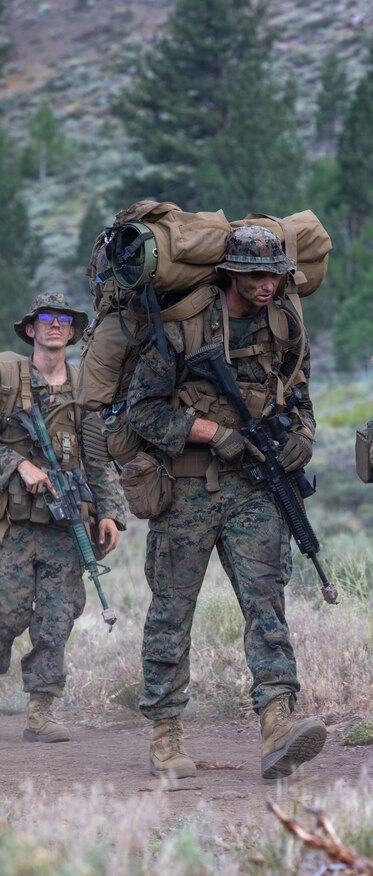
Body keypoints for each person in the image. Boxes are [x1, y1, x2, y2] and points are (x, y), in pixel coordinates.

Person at [126, 225, 327, 780]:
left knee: (267, 606)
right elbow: (141, 410)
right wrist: (210, 432)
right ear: (231, 274)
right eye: (257, 276)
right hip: (187, 490)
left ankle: (277, 724)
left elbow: (301, 395)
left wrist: (302, 439)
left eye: (276, 276)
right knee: (171, 613)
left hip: (256, 489)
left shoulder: (284, 324)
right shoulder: (183, 328)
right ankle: (166, 735)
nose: (268, 286)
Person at [0, 292, 127, 742]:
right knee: (5, 615)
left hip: (65, 528)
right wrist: (19, 463)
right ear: (31, 329)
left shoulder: (85, 390)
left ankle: (40, 711)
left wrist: (110, 513)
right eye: (46, 319)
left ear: (72, 332)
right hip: (13, 528)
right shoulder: (8, 377)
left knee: (56, 622)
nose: (55, 326)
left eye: (64, 321)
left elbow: (99, 461)